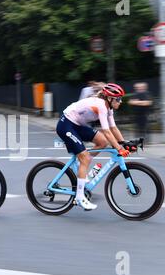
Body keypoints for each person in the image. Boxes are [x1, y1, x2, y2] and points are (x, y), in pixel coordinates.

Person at [56, 83, 130, 211]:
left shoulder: (109, 109)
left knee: (102, 142)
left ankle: (82, 171)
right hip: (66, 124)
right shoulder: (101, 105)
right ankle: (79, 198)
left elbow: (113, 128)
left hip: (77, 125)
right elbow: (107, 131)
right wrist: (119, 149)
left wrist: (124, 143)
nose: (120, 101)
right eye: (118, 99)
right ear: (110, 99)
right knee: (85, 157)